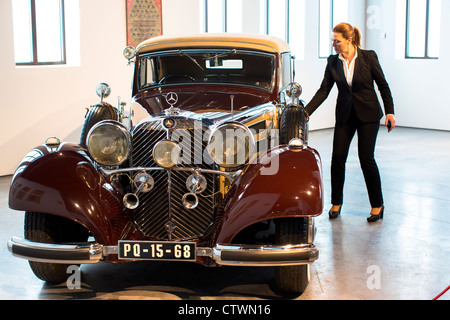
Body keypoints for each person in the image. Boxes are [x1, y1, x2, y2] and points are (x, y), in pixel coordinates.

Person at [305, 23, 395, 222]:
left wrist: (390, 112)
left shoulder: (368, 57)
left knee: (366, 159)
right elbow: (324, 90)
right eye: (332, 41)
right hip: (345, 115)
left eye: (336, 41)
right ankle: (336, 203)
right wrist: (306, 112)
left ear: (349, 40)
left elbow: (383, 85)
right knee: (337, 158)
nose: (333, 45)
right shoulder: (333, 62)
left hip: (369, 114)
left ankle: (377, 205)